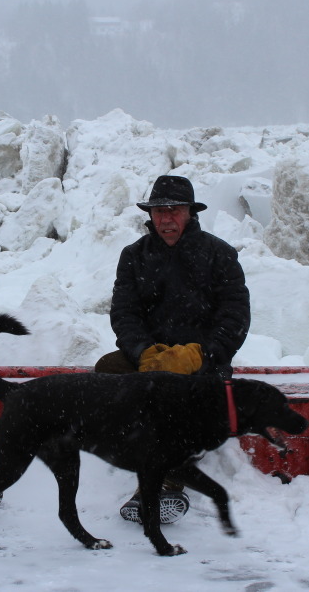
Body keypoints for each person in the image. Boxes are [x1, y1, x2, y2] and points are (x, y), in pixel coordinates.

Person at [95, 174, 251, 524]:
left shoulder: (219, 255)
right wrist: (145, 353)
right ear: (150, 216)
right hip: (151, 362)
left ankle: (163, 483)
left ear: (190, 213)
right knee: (107, 371)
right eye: (159, 211)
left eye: (175, 210)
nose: (166, 218)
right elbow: (125, 313)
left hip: (205, 366)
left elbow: (235, 317)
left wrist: (198, 354)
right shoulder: (134, 256)